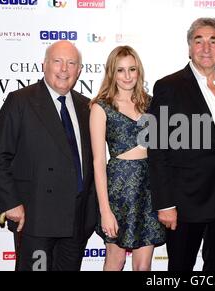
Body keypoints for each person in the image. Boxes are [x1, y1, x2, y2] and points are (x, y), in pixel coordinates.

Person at [0, 40, 97, 271]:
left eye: (71, 63)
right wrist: (11, 203)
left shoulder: (87, 106)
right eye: (57, 61)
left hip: (76, 221)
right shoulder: (21, 101)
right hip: (36, 220)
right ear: (44, 65)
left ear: (79, 71)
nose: (64, 69)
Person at [147, 17, 215, 271]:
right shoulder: (169, 86)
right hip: (185, 202)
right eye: (199, 41)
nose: (206, 48)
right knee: (180, 268)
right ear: (189, 47)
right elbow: (157, 149)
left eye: (214, 41)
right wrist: (165, 203)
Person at [89, 46, 165, 271]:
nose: (128, 76)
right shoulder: (101, 107)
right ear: (112, 73)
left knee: (143, 266)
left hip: (150, 189)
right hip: (118, 190)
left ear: (139, 70)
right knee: (116, 260)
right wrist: (105, 211)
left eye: (132, 69)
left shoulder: (151, 104)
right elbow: (98, 162)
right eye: (121, 70)